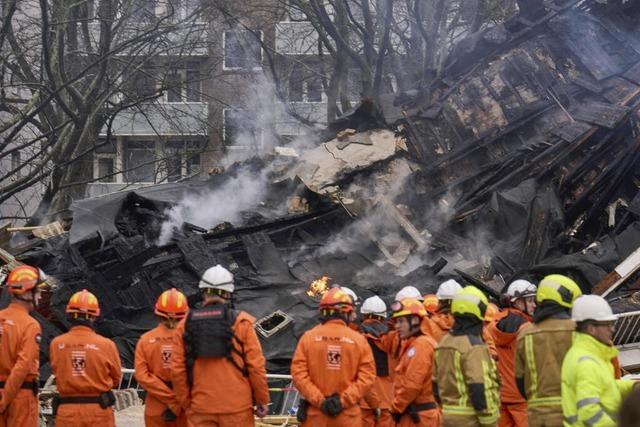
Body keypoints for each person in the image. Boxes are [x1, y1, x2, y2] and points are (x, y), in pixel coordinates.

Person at [170, 265, 269, 426]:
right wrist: (261, 399)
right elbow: (256, 366)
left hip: (201, 406)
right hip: (237, 408)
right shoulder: (241, 322)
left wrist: (187, 402)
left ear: (203, 291)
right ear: (228, 293)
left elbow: (177, 370)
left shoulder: (185, 325)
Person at [291, 287, 376, 427]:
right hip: (348, 418)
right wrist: (342, 401)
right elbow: (367, 377)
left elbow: (298, 374)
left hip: (315, 417)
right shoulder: (359, 340)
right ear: (347, 313)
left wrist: (320, 401)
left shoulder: (308, 338)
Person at [515, 274, 582, 427]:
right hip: (573, 413)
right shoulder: (578, 331)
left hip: (537, 416)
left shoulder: (525, 335)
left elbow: (520, 380)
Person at [50, 289, 122, 427]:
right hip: (98, 412)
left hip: (67, 412)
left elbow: (57, 371)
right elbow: (116, 378)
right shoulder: (107, 345)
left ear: (69, 314)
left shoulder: (56, 344)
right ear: (95, 315)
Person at [561, 294, 636, 427]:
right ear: (591, 328)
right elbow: (589, 413)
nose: (612, 329)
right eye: (607, 324)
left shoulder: (587, 354)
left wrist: (632, 386)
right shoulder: (586, 362)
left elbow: (604, 386)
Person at [434, 285, 500, 427]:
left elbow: (435, 384)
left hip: (447, 417)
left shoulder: (444, 343)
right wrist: (489, 421)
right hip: (471, 420)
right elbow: (478, 387)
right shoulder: (474, 345)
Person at [135, 288, 189, 427]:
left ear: (158, 312)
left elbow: (142, 376)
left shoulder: (145, 340)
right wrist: (178, 401)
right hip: (186, 408)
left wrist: (170, 400)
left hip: (156, 407)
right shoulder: (193, 339)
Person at [487, 280, 536, 427]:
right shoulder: (528, 329)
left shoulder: (491, 325)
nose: (534, 305)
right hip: (523, 399)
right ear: (518, 303)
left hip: (500, 397)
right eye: (530, 300)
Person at [0, 265, 45, 427]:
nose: (40, 296)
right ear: (26, 293)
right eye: (37, 291)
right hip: (19, 396)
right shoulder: (30, 325)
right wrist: (4, 400)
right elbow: (23, 366)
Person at [390, 298, 440, 427]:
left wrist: (396, 407)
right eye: (396, 322)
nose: (397, 326)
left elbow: (412, 383)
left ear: (415, 320)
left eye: (401, 321)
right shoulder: (416, 344)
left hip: (419, 418)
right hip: (417, 415)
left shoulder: (421, 345)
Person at [359, 296, 394, 427]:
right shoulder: (394, 338)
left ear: (363, 315)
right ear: (383, 317)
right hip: (388, 398)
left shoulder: (356, 337)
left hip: (363, 399)